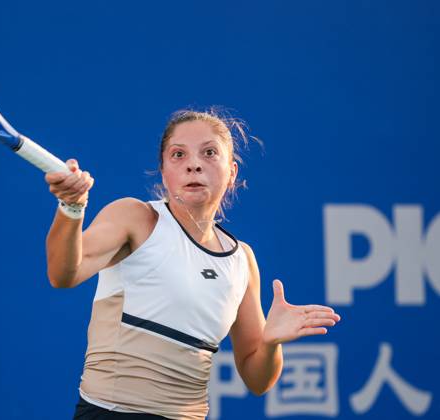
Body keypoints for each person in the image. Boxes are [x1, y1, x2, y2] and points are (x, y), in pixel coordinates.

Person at [45, 110, 341, 420]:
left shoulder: (242, 260)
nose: (194, 164)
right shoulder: (135, 217)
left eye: (209, 153)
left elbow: (258, 381)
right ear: (163, 172)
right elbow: (63, 273)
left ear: (232, 172)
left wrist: (270, 343)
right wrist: (72, 208)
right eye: (178, 154)